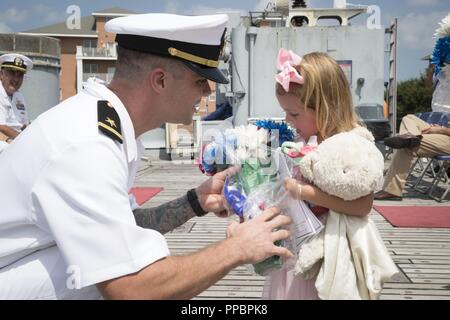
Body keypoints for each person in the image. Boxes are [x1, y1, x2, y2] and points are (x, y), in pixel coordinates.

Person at [0, 13, 293, 300]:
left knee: (120, 254)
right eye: (199, 80)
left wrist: (195, 202)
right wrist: (237, 249)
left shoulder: (106, 124)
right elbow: (132, 288)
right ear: (161, 80)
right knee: (107, 270)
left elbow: (128, 224)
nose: (207, 91)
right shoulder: (88, 145)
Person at [262, 49, 375, 300]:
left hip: (332, 255)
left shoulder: (348, 145)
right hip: (298, 253)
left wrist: (302, 192)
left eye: (294, 114)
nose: (287, 120)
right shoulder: (303, 142)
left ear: (325, 107)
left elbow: (364, 204)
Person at [374, 114, 450, 200]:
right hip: (445, 133)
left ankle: (392, 191)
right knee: (409, 118)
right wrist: (441, 129)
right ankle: (411, 138)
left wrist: (440, 130)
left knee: (407, 146)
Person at [0, 53, 33, 142]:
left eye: (20, 75)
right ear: (1, 74)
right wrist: (22, 141)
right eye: (12, 73)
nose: (16, 79)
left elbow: (24, 125)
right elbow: (1, 127)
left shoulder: (19, 96)